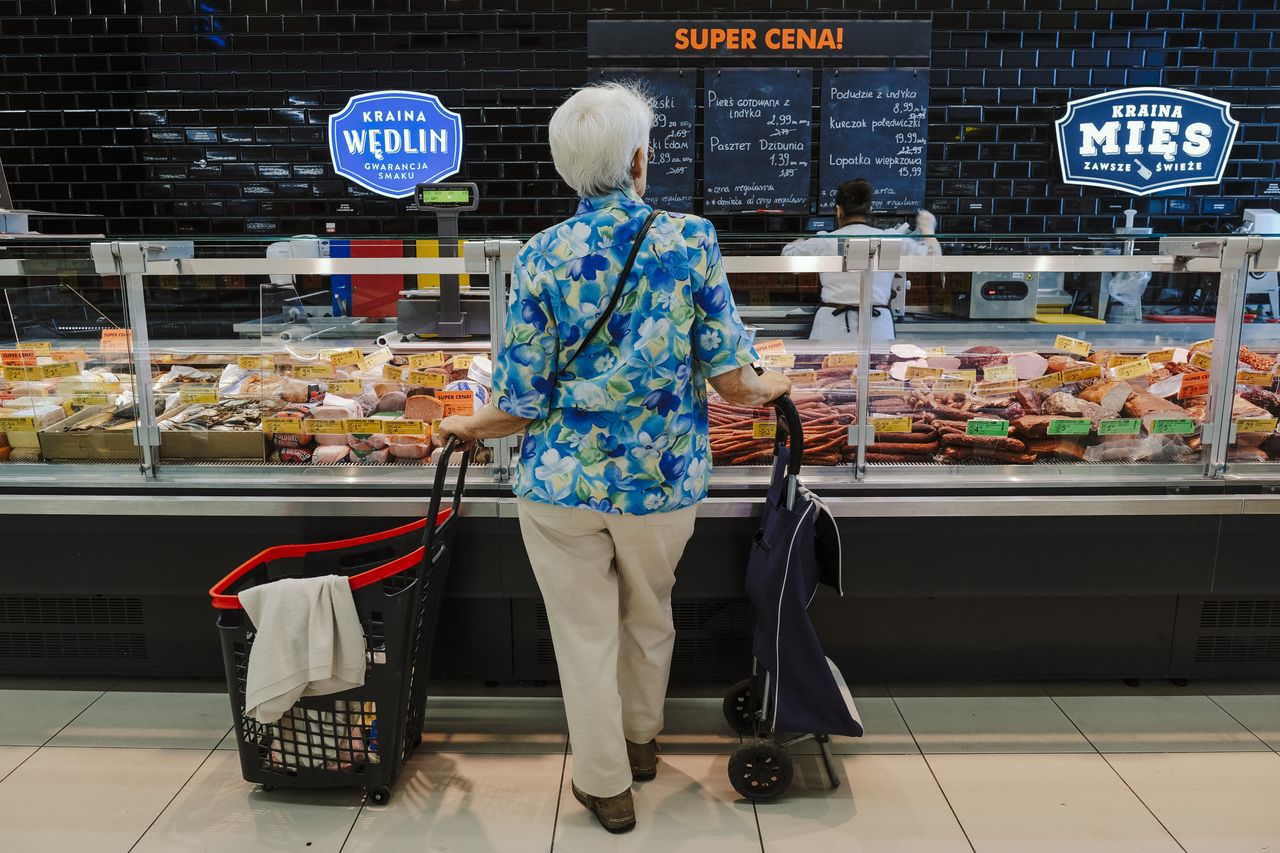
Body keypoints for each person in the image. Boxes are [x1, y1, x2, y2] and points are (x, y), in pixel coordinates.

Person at [435, 82, 791, 834]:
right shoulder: (690, 238)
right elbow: (735, 382)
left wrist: (467, 425)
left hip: (560, 485)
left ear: (568, 168)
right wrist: (773, 384)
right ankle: (639, 743)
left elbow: (519, 402)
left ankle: (605, 786)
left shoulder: (539, 256)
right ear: (637, 159)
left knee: (583, 632)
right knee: (649, 613)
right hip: (661, 484)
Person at [782, 177, 941, 341]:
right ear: (869, 209)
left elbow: (788, 260)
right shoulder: (888, 240)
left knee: (827, 366)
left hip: (831, 326)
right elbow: (933, 259)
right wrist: (927, 228)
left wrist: (803, 241)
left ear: (839, 210)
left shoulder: (826, 241)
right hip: (877, 326)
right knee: (878, 367)